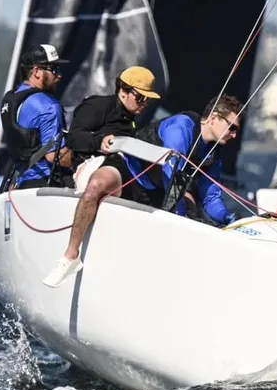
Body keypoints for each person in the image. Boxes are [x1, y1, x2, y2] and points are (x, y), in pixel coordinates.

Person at [43, 93, 243, 288]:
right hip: (130, 170)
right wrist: (179, 213)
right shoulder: (182, 126)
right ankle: (69, 257)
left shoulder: (214, 154)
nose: (234, 135)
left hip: (155, 189)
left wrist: (229, 218)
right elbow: (169, 170)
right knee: (95, 186)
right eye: (231, 127)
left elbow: (211, 198)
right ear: (215, 118)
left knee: (195, 212)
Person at [0, 43, 73, 190]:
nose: (59, 75)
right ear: (37, 72)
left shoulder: (11, 100)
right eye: (54, 69)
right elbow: (55, 156)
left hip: (21, 184)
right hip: (48, 184)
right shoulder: (48, 106)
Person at [68, 66, 160, 169]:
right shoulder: (97, 105)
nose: (145, 103)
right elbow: (73, 138)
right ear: (123, 91)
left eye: (148, 99)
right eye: (141, 97)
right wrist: (99, 142)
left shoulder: (133, 122)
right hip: (83, 170)